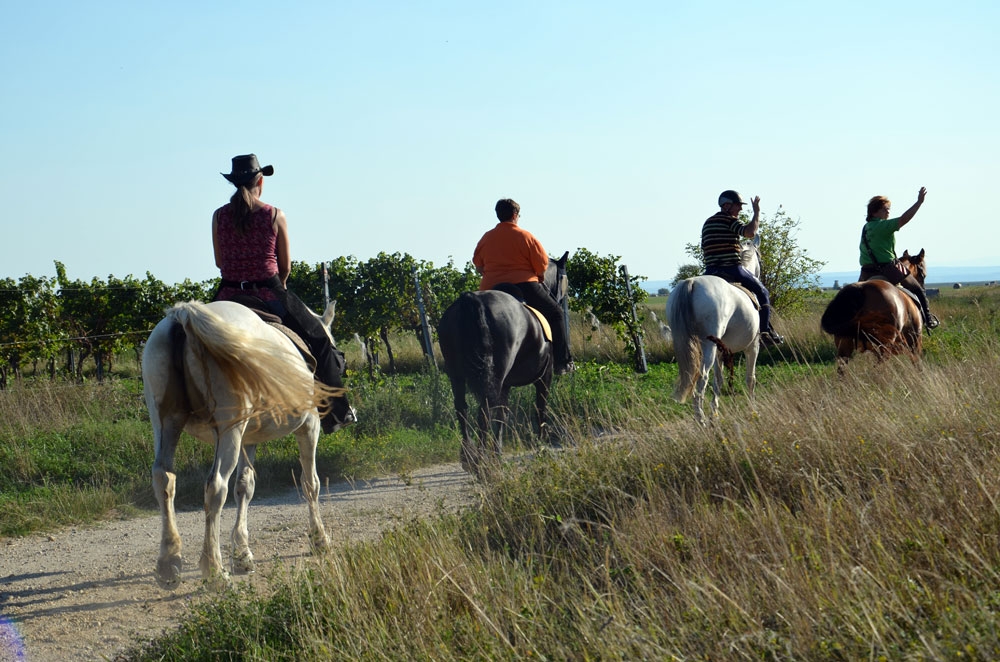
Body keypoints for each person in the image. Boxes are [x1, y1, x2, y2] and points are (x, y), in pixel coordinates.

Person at [213, 154, 354, 433]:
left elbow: (219, 262)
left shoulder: (218, 216)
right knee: (320, 341)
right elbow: (285, 266)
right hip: (268, 293)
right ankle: (338, 412)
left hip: (227, 295)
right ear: (260, 182)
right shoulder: (274, 215)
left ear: (233, 182)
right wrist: (280, 286)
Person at [473, 198, 574, 375]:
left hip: (490, 288)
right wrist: (540, 276)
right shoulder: (526, 236)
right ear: (514, 215)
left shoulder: (486, 237)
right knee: (556, 313)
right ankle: (562, 362)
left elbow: (478, 264)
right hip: (524, 285)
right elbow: (541, 265)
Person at [701, 190, 785, 346]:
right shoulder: (729, 220)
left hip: (710, 271)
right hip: (732, 268)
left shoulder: (708, 222)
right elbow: (750, 233)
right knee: (762, 292)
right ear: (726, 205)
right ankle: (765, 333)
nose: (740, 209)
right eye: (737, 205)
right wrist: (756, 213)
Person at [858, 187, 938, 328]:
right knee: (918, 290)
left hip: (866, 271)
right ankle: (928, 319)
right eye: (885, 209)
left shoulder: (866, 227)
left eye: (888, 209)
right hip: (887, 268)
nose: (888, 211)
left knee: (855, 299)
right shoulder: (883, 225)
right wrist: (919, 202)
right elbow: (904, 219)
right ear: (874, 212)